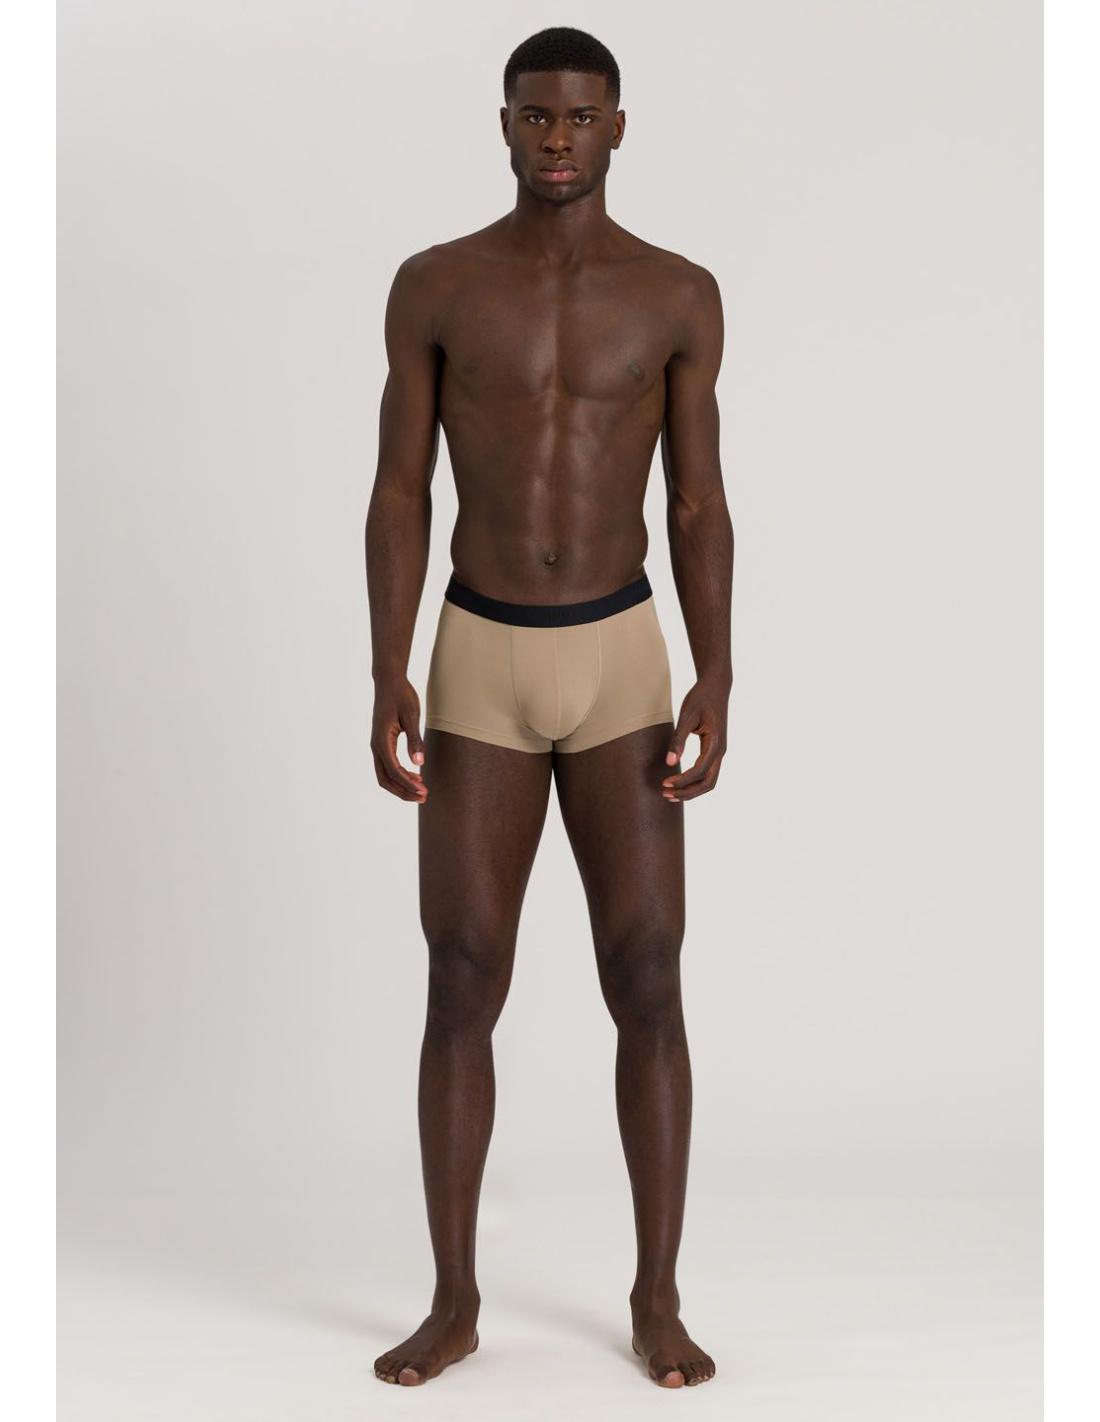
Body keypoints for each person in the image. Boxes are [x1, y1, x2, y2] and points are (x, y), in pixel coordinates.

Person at [365, 25, 732, 1389]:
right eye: (536, 116)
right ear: (506, 124)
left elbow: (696, 500)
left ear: (619, 125)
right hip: (480, 654)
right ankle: (455, 1299)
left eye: (580, 117)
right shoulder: (438, 285)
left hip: (621, 655)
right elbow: (399, 490)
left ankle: (658, 1299)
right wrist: (387, 666)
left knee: (649, 970)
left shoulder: (677, 294)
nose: (558, 138)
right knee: (462, 973)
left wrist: (718, 670)